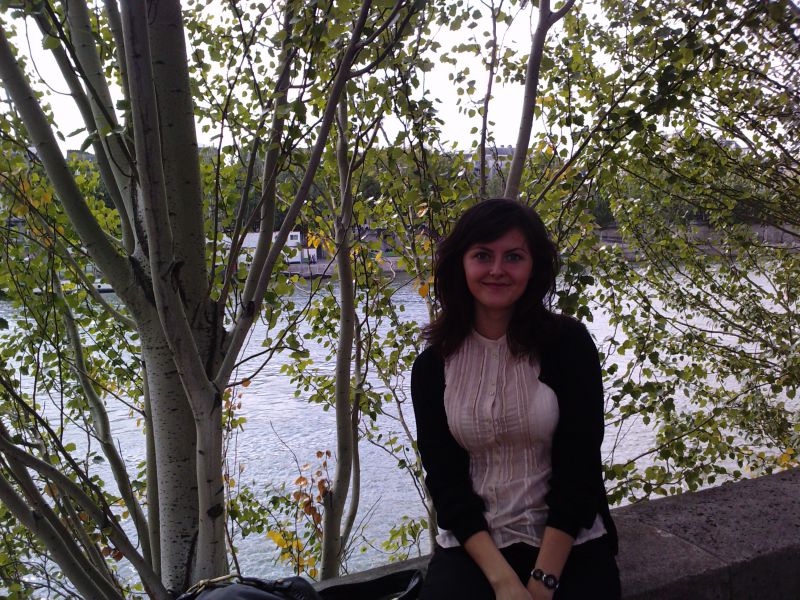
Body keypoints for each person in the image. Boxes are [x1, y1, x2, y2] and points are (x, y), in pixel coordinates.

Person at [411, 199, 620, 600]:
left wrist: (542, 582)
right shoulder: (433, 366)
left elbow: (579, 470)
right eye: (482, 255)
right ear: (460, 264)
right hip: (475, 548)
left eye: (513, 257)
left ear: (533, 267)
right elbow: (446, 481)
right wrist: (502, 581)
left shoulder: (568, 345)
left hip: (568, 543)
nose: (497, 269)